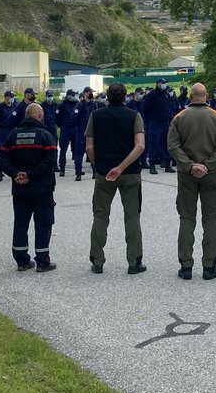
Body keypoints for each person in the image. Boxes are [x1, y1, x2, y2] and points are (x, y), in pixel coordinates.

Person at [167, 83, 216, 280]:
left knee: (187, 218)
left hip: (187, 175)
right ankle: (209, 266)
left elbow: (173, 146)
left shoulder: (179, 118)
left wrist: (189, 165)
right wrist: (208, 165)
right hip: (211, 175)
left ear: (191, 96)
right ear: (206, 96)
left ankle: (186, 266)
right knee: (210, 219)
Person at [86, 82, 147, 275]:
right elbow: (140, 145)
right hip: (129, 173)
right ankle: (134, 261)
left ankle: (97, 260)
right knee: (132, 217)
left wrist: (101, 166)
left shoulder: (95, 116)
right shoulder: (134, 116)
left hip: (104, 173)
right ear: (124, 97)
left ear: (108, 97)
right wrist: (121, 167)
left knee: (100, 216)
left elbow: (89, 146)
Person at [0, 102, 59, 273]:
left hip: (20, 188)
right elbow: (49, 162)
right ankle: (42, 261)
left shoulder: (12, 135)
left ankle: (21, 261)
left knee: (20, 223)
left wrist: (16, 174)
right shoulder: (45, 135)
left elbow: (2, 159)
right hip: (42, 188)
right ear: (39, 116)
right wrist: (30, 175)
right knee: (43, 224)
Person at [142, 79, 175, 174]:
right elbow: (145, 110)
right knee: (153, 143)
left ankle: (167, 164)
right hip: (155, 122)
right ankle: (152, 165)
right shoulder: (151, 95)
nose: (164, 85)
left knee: (166, 143)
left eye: (165, 83)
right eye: (163, 83)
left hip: (165, 122)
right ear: (157, 84)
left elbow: (168, 107)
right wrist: (149, 120)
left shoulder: (166, 95)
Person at [57, 88, 89, 179]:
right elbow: (57, 118)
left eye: (75, 95)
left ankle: (77, 169)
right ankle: (62, 169)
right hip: (65, 128)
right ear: (67, 96)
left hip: (75, 129)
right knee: (63, 149)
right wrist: (62, 125)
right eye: (72, 95)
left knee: (76, 150)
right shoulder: (62, 105)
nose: (74, 97)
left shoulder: (77, 104)